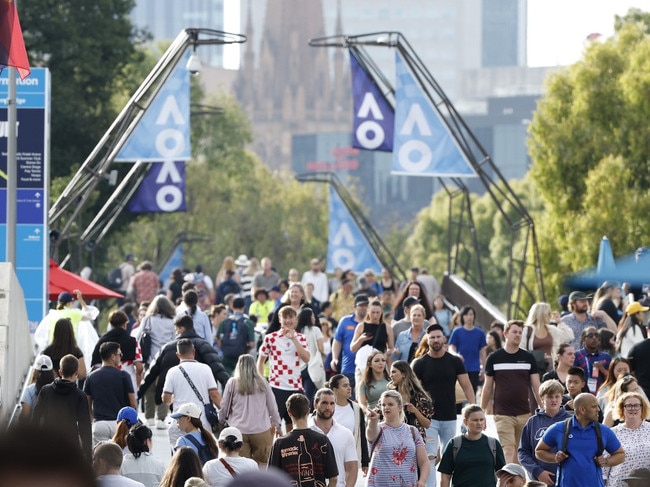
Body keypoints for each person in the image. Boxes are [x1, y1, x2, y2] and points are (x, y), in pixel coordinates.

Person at [412, 323, 476, 486]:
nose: (435, 340)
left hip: (450, 416)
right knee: (430, 456)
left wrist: (473, 408)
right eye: (432, 337)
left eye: (438, 336)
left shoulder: (454, 361)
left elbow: (467, 386)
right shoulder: (419, 364)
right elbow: (412, 389)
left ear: (444, 338)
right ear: (427, 340)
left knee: (450, 458)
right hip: (429, 419)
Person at [138, 315, 229, 414]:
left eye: (176, 330)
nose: (175, 333)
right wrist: (229, 387)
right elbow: (219, 370)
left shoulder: (167, 348)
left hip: (178, 407)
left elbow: (150, 374)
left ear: (182, 328)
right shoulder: (204, 346)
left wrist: (138, 395)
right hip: (202, 404)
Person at [481, 320, 542, 463]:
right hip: (502, 413)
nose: (518, 335)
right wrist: (481, 411)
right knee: (508, 450)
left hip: (524, 413)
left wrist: (542, 407)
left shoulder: (528, 358)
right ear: (505, 333)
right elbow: (487, 387)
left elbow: (536, 386)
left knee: (520, 454)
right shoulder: (494, 358)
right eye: (514, 332)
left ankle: (516, 483)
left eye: (520, 332)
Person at [535, 393, 625, 487]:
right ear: (582, 410)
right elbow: (539, 451)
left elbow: (621, 454)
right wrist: (555, 458)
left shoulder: (604, 431)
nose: (598, 409)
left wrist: (606, 461)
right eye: (594, 407)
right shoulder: (558, 428)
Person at [220, 354, 281, 465]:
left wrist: (221, 420)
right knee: (263, 464)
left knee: (242, 466)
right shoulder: (263, 383)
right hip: (261, 430)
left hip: (238, 431)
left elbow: (224, 406)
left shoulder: (232, 383)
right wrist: (278, 425)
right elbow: (272, 407)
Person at [257, 305, 310, 432]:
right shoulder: (270, 338)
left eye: (291, 317)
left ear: (296, 319)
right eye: (285, 317)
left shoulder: (301, 338)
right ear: (280, 319)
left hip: (296, 386)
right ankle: (273, 450)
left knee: (295, 426)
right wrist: (262, 381)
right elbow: (260, 361)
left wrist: (293, 339)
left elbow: (306, 358)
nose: (288, 320)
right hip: (277, 387)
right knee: (272, 425)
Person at [268, 393, 339, 487]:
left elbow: (270, 479)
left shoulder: (280, 443)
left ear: (289, 413)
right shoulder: (323, 440)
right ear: (308, 411)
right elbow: (333, 478)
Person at [162, 339, 222, 446]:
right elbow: (214, 395)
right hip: (201, 421)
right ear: (193, 351)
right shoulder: (205, 369)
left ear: (178, 354)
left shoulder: (172, 372)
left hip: (179, 422)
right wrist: (224, 412)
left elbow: (166, 399)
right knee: (202, 457)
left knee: (179, 458)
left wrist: (173, 401)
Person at [32, 354, 92, 459]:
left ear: (60, 372)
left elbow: (35, 419)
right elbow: (85, 427)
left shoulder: (45, 391)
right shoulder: (79, 396)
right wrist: (88, 454)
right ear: (76, 373)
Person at [365, 389, 429, 487]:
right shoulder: (378, 429)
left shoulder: (412, 431)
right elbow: (370, 433)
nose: (386, 407)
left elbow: (424, 462)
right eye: (383, 405)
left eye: (390, 404)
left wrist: (422, 481)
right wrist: (372, 421)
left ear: (399, 407)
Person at [438, 403, 506, 487]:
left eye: (482, 420)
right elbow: (445, 475)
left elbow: (503, 475)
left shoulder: (493, 444)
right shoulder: (454, 444)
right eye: (475, 420)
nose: (479, 423)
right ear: (465, 421)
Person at [518, 379, 571, 485]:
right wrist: (538, 472)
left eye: (557, 396)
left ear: (562, 399)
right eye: (550, 397)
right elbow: (523, 452)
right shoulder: (533, 422)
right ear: (542, 398)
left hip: (567, 478)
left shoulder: (572, 421)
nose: (554, 400)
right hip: (539, 481)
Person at [84, 342, 136, 446]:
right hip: (120, 425)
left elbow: (87, 403)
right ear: (113, 356)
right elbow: (133, 403)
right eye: (119, 354)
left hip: (100, 424)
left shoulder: (91, 377)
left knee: (99, 457)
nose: (121, 357)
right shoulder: (123, 376)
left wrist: (92, 420)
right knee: (121, 457)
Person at [136, 295, 176, 428]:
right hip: (167, 360)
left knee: (149, 388)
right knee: (165, 388)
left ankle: (149, 417)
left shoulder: (147, 320)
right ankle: (161, 418)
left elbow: (138, 337)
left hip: (150, 359)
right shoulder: (173, 322)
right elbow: (175, 340)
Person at [309, 388, 359, 487]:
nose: (328, 407)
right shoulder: (305, 431)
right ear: (315, 404)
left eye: (332, 403)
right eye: (324, 403)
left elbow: (352, 467)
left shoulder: (345, 433)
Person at [601, 392, 650, 487]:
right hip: (618, 484)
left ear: (642, 408)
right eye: (628, 406)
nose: (633, 408)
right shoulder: (612, 433)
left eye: (637, 405)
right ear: (621, 409)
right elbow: (605, 464)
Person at [91, 310, 143, 392]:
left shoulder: (101, 342)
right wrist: (138, 379)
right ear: (125, 324)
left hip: (107, 384)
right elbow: (139, 366)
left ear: (111, 324)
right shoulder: (133, 341)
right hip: (129, 384)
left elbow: (96, 366)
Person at [327, 374, 370, 474]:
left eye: (349, 385)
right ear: (335, 390)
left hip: (350, 459)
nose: (349, 388)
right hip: (330, 458)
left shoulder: (356, 408)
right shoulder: (326, 408)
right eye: (345, 385)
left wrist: (365, 462)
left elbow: (362, 435)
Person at [330, 294, 369, 396]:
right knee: (348, 397)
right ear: (354, 307)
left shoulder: (371, 323)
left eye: (366, 305)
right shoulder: (345, 321)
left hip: (367, 369)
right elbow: (337, 341)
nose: (364, 308)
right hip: (348, 367)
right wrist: (334, 358)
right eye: (361, 305)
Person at [522, 302, 574, 374]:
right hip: (532, 369)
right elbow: (521, 350)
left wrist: (559, 322)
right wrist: (540, 355)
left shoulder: (551, 330)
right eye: (548, 313)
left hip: (550, 368)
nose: (550, 316)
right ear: (541, 314)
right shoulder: (526, 330)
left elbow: (569, 336)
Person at [388, 360, 434, 439]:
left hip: (415, 440)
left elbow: (427, 424)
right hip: (394, 439)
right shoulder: (390, 395)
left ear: (403, 374)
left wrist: (415, 411)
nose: (391, 375)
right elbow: (379, 414)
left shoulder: (419, 396)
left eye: (394, 372)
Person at [351, 299, 394, 380]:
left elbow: (391, 348)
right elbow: (352, 348)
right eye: (373, 312)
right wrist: (361, 339)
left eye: (378, 313)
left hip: (380, 365)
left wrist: (385, 354)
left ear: (381, 313)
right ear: (368, 312)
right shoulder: (361, 326)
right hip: (364, 365)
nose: (375, 315)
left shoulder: (387, 328)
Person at [448, 305, 487, 394]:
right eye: (466, 315)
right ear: (462, 317)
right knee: (459, 395)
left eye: (471, 314)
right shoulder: (457, 332)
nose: (469, 317)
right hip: (460, 368)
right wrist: (456, 355)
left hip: (474, 368)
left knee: (472, 394)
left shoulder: (480, 333)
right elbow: (451, 347)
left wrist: (484, 369)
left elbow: (483, 351)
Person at [216, 297, 255, 375]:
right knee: (242, 381)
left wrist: (224, 348)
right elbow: (251, 344)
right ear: (244, 307)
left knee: (227, 381)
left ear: (232, 307)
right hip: (242, 356)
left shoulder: (224, 322)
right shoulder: (248, 322)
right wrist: (246, 351)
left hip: (227, 356)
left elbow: (218, 339)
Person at [296, 306, 326, 404]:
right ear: (309, 318)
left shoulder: (297, 331)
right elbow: (321, 348)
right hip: (312, 366)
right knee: (310, 396)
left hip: (299, 367)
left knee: (300, 394)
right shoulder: (315, 330)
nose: (314, 319)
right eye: (313, 316)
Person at [574, 326, 612, 394]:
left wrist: (602, 369)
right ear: (583, 339)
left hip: (601, 393)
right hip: (582, 393)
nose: (594, 338)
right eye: (590, 335)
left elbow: (612, 378)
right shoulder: (577, 355)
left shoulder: (605, 357)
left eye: (596, 335)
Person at [20, 354, 56, 420]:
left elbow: (25, 415)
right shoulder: (59, 389)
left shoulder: (29, 390)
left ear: (35, 372)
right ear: (52, 372)